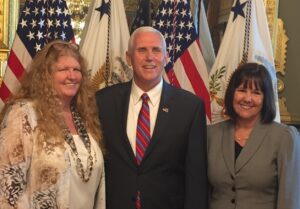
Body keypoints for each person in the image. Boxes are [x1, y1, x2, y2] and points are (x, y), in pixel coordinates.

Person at [96, 26, 208, 209]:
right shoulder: (103, 102)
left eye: (156, 50)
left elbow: (196, 177)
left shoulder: (190, 107)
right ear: (128, 58)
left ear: (166, 57)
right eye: (142, 50)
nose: (149, 57)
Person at [0, 40, 105, 209]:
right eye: (63, 69)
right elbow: (8, 189)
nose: (72, 76)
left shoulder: (84, 117)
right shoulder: (23, 115)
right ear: (45, 75)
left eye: (76, 69)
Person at [207, 62, 300, 209]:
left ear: (265, 98)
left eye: (256, 93)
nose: (247, 98)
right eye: (242, 90)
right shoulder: (211, 135)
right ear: (232, 93)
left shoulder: (284, 138)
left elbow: (289, 200)